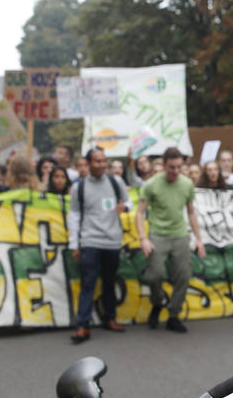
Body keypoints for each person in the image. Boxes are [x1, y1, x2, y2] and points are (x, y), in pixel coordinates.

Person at [136, 147, 206, 333]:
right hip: (157, 235)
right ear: (164, 165)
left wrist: (199, 239)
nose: (175, 171)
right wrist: (143, 238)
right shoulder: (151, 184)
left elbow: (191, 212)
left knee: (183, 276)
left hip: (180, 235)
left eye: (178, 167)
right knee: (154, 276)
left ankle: (173, 315)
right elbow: (140, 213)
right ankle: (157, 303)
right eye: (171, 167)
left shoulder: (187, 184)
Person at [68, 148, 131, 343]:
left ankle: (110, 318)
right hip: (90, 240)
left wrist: (125, 207)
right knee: (88, 283)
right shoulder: (80, 187)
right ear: (88, 163)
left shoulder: (116, 181)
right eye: (97, 161)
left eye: (104, 161)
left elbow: (129, 202)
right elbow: (74, 216)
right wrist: (74, 244)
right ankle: (83, 325)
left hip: (112, 240)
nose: (102, 165)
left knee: (109, 282)